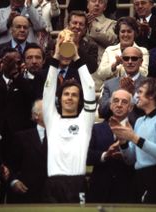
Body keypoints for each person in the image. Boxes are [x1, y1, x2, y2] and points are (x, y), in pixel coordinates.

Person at [42, 33, 96, 203]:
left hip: (77, 182)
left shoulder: (85, 121)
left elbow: (90, 86)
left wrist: (77, 56)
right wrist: (56, 57)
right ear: (59, 98)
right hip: (53, 183)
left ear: (80, 100)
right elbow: (48, 88)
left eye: (74, 95)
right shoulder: (51, 119)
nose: (70, 97)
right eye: (66, 94)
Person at [111, 77, 156, 204]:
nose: (136, 96)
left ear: (152, 95)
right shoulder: (139, 121)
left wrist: (134, 138)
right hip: (139, 176)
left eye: (140, 92)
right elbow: (131, 159)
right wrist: (123, 142)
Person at [0, 48, 35, 163]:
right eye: (9, 61)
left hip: (20, 135)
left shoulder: (27, 81)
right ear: (1, 62)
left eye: (16, 61)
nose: (13, 64)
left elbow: (32, 97)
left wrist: (16, 76)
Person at [87, 89, 134, 203]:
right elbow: (86, 156)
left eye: (124, 102)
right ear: (111, 105)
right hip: (99, 190)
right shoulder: (95, 129)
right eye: (116, 101)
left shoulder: (137, 128)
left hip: (127, 190)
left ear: (130, 107)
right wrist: (105, 155)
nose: (119, 105)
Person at [7, 99, 47, 203]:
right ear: (35, 115)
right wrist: (13, 181)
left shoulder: (61, 137)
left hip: (53, 196)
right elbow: (11, 165)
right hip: (27, 194)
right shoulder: (21, 137)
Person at [95, 16, 149, 91]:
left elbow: (144, 74)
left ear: (135, 33)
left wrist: (126, 64)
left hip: (135, 90)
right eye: (123, 31)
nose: (126, 35)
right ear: (118, 33)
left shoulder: (142, 51)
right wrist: (115, 65)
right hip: (110, 90)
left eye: (129, 31)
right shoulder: (109, 50)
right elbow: (101, 74)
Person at [98, 46, 146, 125]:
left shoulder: (149, 84)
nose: (130, 62)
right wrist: (120, 92)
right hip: (113, 127)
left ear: (141, 62)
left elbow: (151, 111)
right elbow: (102, 112)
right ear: (122, 61)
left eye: (134, 58)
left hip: (138, 128)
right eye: (126, 58)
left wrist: (134, 95)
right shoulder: (110, 84)